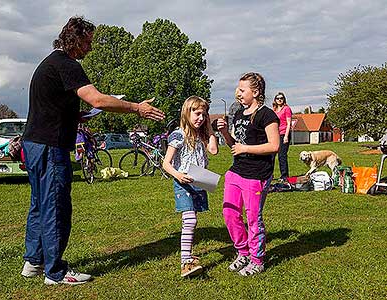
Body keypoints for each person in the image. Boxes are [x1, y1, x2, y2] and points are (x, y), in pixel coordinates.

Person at [21, 16, 165, 286]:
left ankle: (34, 261)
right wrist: (137, 108)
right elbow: (97, 98)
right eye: (87, 42)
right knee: (56, 206)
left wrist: (80, 116)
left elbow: (53, 108)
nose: (90, 48)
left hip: (35, 143)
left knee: (40, 205)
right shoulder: (67, 65)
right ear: (74, 40)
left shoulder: (50, 63)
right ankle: (56, 272)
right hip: (51, 147)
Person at [217, 72, 279, 276]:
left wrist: (246, 149)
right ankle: (242, 252)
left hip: (257, 174)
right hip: (236, 171)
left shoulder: (267, 115)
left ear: (256, 91)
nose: (238, 93)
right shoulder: (238, 113)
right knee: (229, 213)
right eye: (238, 89)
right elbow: (234, 145)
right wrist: (225, 132)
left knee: (253, 218)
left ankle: (257, 260)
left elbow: (274, 146)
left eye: (242, 90)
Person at [162, 96, 218, 277]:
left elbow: (214, 150)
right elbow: (166, 163)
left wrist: (209, 128)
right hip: (183, 183)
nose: (200, 118)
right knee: (190, 220)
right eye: (197, 113)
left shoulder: (201, 134)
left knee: (193, 220)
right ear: (187, 112)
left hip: (199, 182)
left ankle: (188, 256)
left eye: (204, 115)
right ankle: (185, 261)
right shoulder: (178, 135)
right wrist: (178, 175)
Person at [272, 92, 293, 181]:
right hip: (275, 134)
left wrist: (286, 136)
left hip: (284, 133)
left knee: (282, 155)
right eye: (277, 98)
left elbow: (289, 123)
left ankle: (284, 176)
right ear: (275, 100)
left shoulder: (286, 109)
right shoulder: (274, 110)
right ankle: (269, 175)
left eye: (281, 98)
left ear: (284, 99)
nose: (279, 100)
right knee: (271, 155)